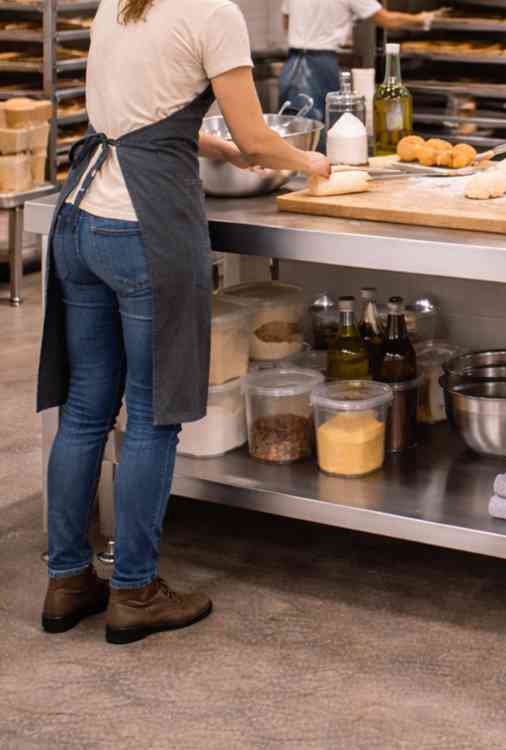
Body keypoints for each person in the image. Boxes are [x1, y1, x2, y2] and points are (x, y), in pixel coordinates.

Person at [37, 0, 330, 645]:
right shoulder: (213, 13)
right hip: (144, 231)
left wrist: (212, 143)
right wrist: (312, 163)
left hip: (81, 219)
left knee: (86, 410)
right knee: (150, 414)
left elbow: (133, 115)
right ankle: (135, 591)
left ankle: (67, 581)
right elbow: (260, 140)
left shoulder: (121, 4)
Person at [280, 0, 440, 124]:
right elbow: (385, 19)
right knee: (319, 124)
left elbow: (286, 21)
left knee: (293, 124)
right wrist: (421, 19)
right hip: (320, 63)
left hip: (293, 61)